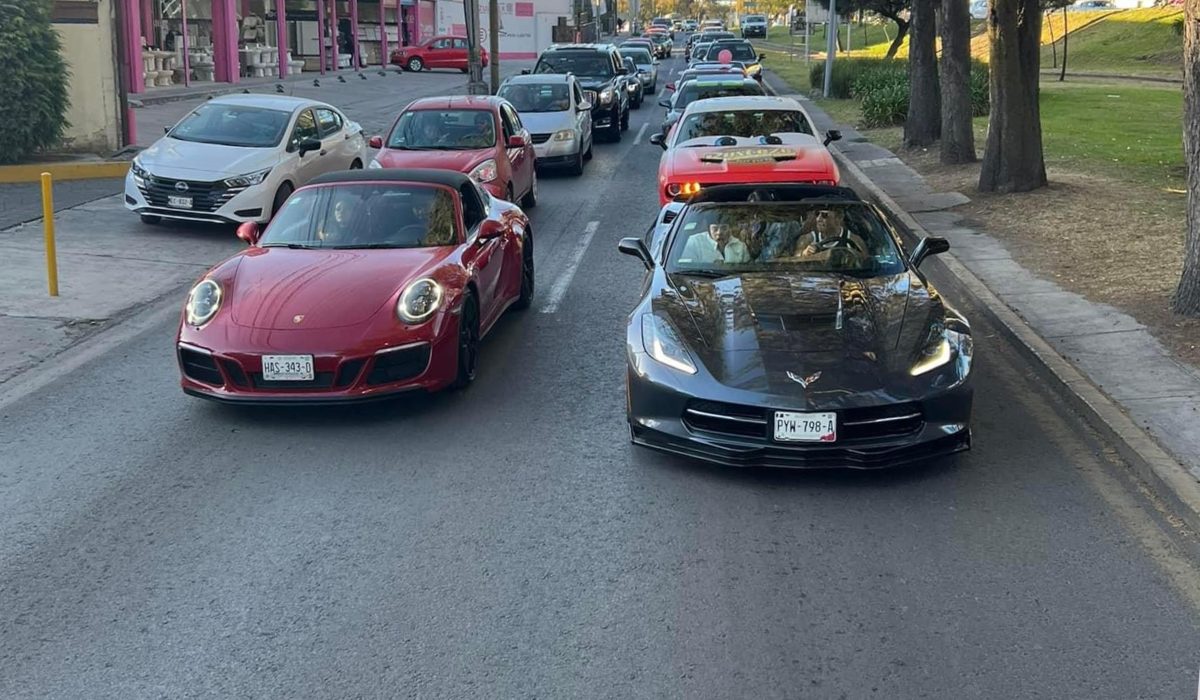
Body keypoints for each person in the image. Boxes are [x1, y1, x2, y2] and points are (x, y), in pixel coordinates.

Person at [789, 208, 869, 264]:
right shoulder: (807, 240)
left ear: (839, 218)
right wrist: (804, 254)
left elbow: (866, 262)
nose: (818, 219)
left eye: (824, 215)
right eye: (817, 214)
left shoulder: (854, 241)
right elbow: (794, 261)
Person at [679, 222, 750, 265]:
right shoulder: (694, 242)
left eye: (724, 228)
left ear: (729, 229)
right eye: (715, 229)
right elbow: (687, 268)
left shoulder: (740, 246)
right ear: (709, 229)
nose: (719, 232)